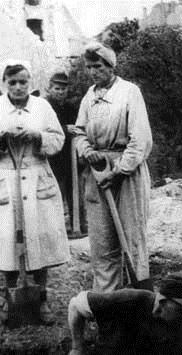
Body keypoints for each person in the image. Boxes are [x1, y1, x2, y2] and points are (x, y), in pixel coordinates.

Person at [74, 43, 153, 292]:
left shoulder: (129, 92)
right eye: (89, 67)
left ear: (110, 66)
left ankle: (139, 300)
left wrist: (119, 171)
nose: (93, 72)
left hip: (126, 173)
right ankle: (108, 304)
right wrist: (87, 151)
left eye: (98, 66)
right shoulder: (90, 96)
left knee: (132, 239)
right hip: (97, 174)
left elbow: (140, 139)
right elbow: (79, 132)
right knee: (102, 242)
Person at [0, 60, 69, 323]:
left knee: (37, 239)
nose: (18, 87)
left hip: (37, 176)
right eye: (12, 82)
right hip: (5, 178)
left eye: (23, 82)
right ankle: (8, 298)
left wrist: (37, 137)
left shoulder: (42, 106)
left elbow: (58, 139)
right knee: (6, 242)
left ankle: (41, 300)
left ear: (31, 82)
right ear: (5, 83)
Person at [68, 272, 182, 355]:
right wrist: (77, 348)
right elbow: (75, 305)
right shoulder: (127, 300)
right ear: (163, 302)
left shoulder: (178, 334)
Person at [46, 72, 81, 236]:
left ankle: (77, 224)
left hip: (70, 156)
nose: (60, 92)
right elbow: (47, 128)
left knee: (74, 190)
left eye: (63, 89)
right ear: (50, 88)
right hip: (52, 158)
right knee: (55, 192)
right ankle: (56, 228)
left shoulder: (69, 107)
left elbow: (78, 124)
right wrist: (65, 129)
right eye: (57, 88)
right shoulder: (45, 106)